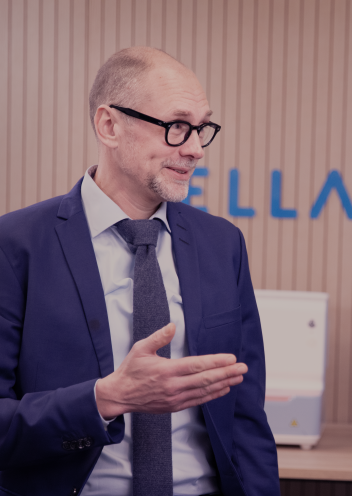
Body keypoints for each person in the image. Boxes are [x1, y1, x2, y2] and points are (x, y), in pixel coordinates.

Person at [0, 47, 280, 496]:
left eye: (201, 129)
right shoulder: (15, 245)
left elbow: (246, 417)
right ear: (109, 125)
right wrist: (107, 398)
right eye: (176, 127)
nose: (194, 149)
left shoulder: (222, 244)